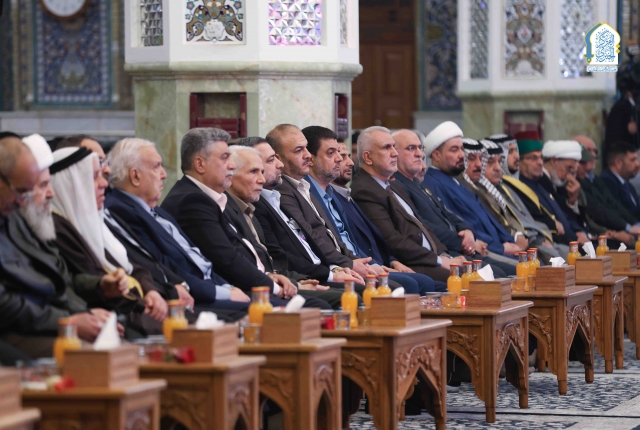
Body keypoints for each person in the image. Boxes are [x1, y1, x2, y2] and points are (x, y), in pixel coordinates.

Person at [161, 128, 328, 309]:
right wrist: (273, 286)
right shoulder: (192, 200)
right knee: (317, 306)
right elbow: (226, 259)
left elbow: (238, 253)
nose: (231, 166)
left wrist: (270, 278)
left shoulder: (210, 198)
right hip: (220, 294)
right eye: (224, 158)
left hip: (244, 285)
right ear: (200, 164)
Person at [104, 138, 252, 319]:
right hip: (187, 298)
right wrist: (224, 293)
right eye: (156, 167)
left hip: (209, 290)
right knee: (261, 316)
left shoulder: (156, 211)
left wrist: (228, 288)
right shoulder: (121, 211)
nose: (164, 174)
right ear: (135, 176)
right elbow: (163, 265)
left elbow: (199, 261)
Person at [0, 134, 110, 358]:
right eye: (21, 191)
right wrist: (68, 321)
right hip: (18, 328)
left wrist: (86, 312)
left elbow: (56, 281)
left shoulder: (13, 216)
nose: (22, 201)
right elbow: (5, 304)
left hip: (43, 320)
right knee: (93, 357)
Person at [303, 126, 446, 293]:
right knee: (418, 283)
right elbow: (388, 239)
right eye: (331, 153)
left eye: (343, 154)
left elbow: (421, 224)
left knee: (433, 281)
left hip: (365, 262)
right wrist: (362, 264)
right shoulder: (355, 191)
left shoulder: (334, 194)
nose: (342, 160)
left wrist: (443, 254)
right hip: (343, 268)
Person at [50, 147, 169, 337]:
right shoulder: (58, 228)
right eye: (94, 177)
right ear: (72, 184)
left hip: (135, 307)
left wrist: (151, 291)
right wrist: (147, 304)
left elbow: (130, 265)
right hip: (118, 315)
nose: (104, 183)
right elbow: (94, 281)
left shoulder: (91, 219)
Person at [226, 145, 347, 307]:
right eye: (254, 172)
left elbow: (273, 261)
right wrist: (294, 283)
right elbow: (253, 264)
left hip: (285, 279)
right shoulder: (233, 208)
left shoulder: (251, 207)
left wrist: (297, 281)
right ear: (230, 174)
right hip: (255, 289)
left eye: (262, 171)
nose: (261, 179)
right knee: (339, 299)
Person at [240, 137, 362, 288]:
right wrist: (329, 274)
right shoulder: (265, 202)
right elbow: (279, 256)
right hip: (300, 278)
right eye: (271, 160)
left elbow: (312, 241)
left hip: (318, 272)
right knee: (358, 291)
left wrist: (337, 268)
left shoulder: (277, 196)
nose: (280, 164)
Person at [389, 130, 514, 275]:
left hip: (460, 248)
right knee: (497, 275)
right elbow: (420, 225)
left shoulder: (418, 183)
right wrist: (461, 242)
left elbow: (448, 214)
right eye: (411, 148)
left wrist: (467, 231)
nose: (419, 154)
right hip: (443, 251)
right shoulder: (398, 185)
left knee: (506, 272)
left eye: (420, 148)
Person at [351, 126, 465, 282]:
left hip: (428, 258)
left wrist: (444, 255)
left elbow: (422, 226)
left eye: (394, 147)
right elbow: (392, 240)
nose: (395, 153)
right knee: (464, 277)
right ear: (368, 157)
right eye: (387, 147)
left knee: (472, 271)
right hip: (409, 263)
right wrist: (438, 260)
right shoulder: (365, 190)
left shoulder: (393, 185)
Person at [267, 124, 373, 283]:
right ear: (279, 159)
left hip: (336, 266)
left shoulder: (303, 186)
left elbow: (332, 236)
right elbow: (310, 234)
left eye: (306, 148)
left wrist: (354, 261)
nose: (307, 155)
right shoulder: (282, 191)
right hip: (317, 273)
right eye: (299, 150)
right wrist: (347, 264)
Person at [422, 121, 520, 263]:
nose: (461, 155)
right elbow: (459, 223)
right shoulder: (433, 183)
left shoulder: (455, 181)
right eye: (454, 150)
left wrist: (509, 241)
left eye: (462, 149)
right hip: (482, 249)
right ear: (436, 155)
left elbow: (488, 219)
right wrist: (500, 247)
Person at [480, 135, 562, 261]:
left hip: (533, 239)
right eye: (510, 151)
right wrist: (519, 236)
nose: (516, 156)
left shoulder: (505, 186)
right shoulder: (485, 190)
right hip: (514, 245)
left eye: (516, 151)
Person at [510, 130, 585, 245]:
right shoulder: (519, 187)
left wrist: (578, 232)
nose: (540, 162)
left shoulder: (539, 183)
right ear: (518, 161)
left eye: (541, 157)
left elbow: (563, 216)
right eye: (533, 158)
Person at [576, 135, 640, 240]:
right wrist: (626, 228)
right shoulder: (580, 182)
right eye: (588, 150)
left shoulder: (595, 179)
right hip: (601, 233)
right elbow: (597, 211)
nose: (593, 155)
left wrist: (635, 225)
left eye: (594, 151)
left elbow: (613, 204)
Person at [600, 141, 640, 220]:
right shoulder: (607, 182)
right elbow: (620, 214)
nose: (637, 164)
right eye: (632, 160)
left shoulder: (626, 182)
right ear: (618, 163)